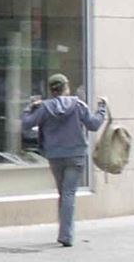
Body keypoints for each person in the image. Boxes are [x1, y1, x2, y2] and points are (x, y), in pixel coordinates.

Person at [22, 74, 108, 246]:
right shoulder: (78, 105)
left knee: (64, 193)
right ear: (66, 87)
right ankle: (66, 235)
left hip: (55, 155)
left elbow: (26, 123)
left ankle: (64, 233)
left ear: (51, 89)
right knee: (69, 193)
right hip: (75, 154)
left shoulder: (45, 108)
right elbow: (94, 124)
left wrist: (30, 108)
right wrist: (102, 107)